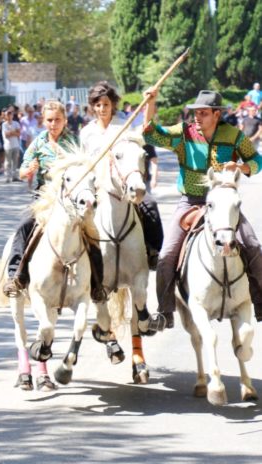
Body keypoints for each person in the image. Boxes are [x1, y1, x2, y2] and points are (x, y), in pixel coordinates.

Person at [143, 88, 262, 331]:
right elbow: (151, 136)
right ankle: (165, 312)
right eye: (196, 112)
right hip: (191, 202)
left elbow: (258, 161)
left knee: (253, 246)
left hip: (224, 206)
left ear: (217, 114)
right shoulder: (184, 133)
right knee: (166, 256)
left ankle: (259, 303)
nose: (197, 116)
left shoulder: (234, 135)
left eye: (204, 113)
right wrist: (151, 102)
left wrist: (241, 166)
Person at [2, 100, 106, 302]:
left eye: (58, 119)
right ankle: (16, 276)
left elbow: (85, 166)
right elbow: (22, 171)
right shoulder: (38, 142)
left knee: (91, 232)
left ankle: (98, 284)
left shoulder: (73, 142)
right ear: (43, 121)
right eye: (49, 120)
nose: (53, 124)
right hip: (44, 196)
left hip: (70, 196)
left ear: (65, 120)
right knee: (25, 226)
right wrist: (28, 170)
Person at [79, 81, 163, 269]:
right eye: (98, 104)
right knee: (77, 213)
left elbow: (144, 131)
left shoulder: (123, 126)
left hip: (122, 186)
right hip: (96, 187)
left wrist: (150, 103)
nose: (102, 108)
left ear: (113, 105)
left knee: (150, 204)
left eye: (106, 104)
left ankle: (154, 251)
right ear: (92, 106)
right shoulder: (86, 133)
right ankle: (80, 257)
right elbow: (84, 163)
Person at [2, 109, 22, 182]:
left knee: (15, 161)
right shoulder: (4, 124)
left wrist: (12, 132)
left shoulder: (16, 123)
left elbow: (19, 134)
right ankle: (7, 177)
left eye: (11, 114)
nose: (9, 116)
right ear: (6, 116)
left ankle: (14, 176)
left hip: (15, 144)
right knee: (8, 162)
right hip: (8, 145)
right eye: (8, 114)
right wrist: (14, 132)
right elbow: (7, 135)